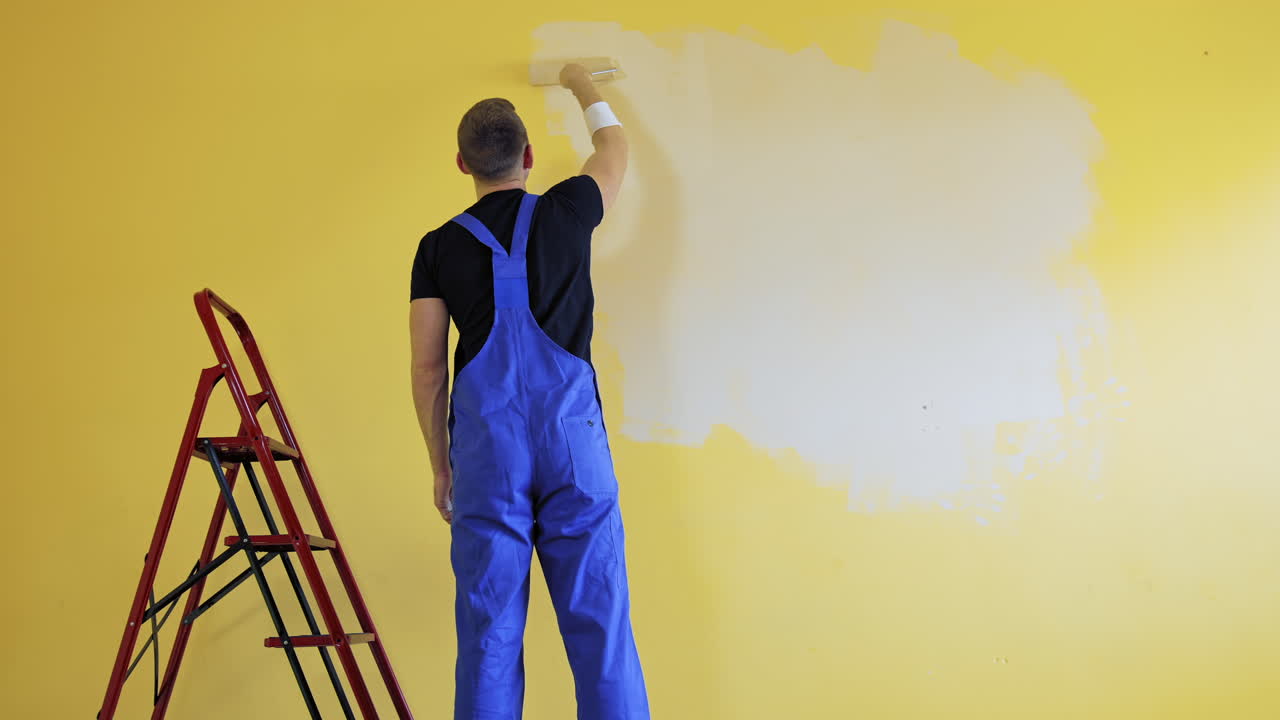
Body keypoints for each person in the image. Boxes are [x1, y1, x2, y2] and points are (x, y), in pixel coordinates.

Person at [409, 64, 650, 719]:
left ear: (462, 164)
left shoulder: (436, 248)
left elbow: (429, 368)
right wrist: (579, 84)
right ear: (530, 156)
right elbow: (614, 149)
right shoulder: (570, 210)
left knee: (489, 639)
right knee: (601, 632)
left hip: (489, 451)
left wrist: (441, 463)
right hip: (574, 443)